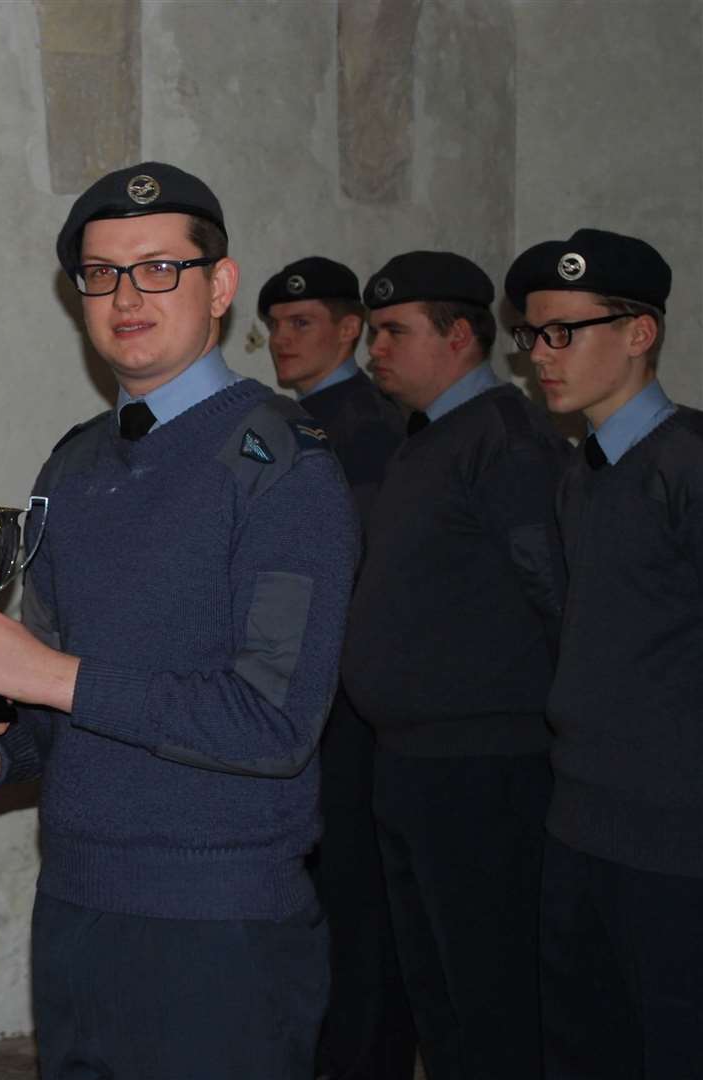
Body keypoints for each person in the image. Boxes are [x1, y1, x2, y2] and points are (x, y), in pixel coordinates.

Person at [0, 162, 360, 1077]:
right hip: (75, 902)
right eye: (100, 273)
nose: (125, 295)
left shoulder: (282, 466)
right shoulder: (75, 466)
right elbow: (62, 706)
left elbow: (274, 723)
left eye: (157, 267)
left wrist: (43, 676)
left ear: (218, 285)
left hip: (219, 924)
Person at [340, 251, 569, 1080]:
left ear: (461, 336)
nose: (375, 350)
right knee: (436, 992)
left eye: (395, 332)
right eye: (371, 333)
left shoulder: (504, 441)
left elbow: (554, 589)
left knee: (490, 993)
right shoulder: (428, 441)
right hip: (412, 763)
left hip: (486, 767)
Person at [506, 229, 701, 1078]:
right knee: (580, 1044)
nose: (540, 357)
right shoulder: (579, 473)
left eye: (563, 332)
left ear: (637, 333)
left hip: (672, 834)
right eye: (531, 335)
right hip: (580, 816)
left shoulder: (686, 464)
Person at [259, 257, 416, 1080]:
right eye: (275, 327)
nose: (281, 341)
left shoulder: (361, 425)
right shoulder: (294, 421)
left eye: (302, 324)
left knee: (353, 900)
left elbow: (348, 573)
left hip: (347, 699)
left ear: (348, 330)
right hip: (319, 697)